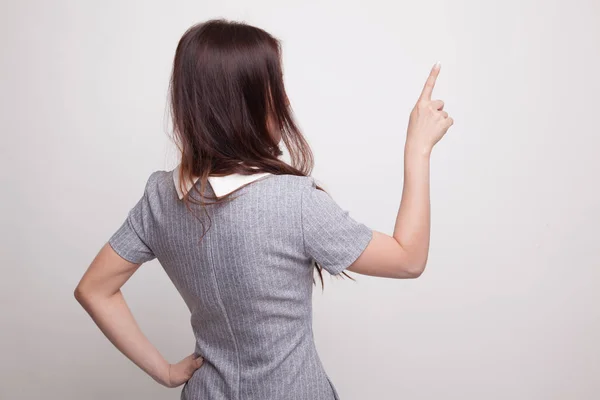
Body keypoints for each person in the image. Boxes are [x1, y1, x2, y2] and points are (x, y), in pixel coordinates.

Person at [74, 18, 453, 400]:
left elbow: (95, 289)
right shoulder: (293, 201)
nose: (285, 100)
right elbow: (408, 259)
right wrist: (418, 148)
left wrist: (167, 372)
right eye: (275, 87)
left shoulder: (159, 196)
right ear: (245, 102)